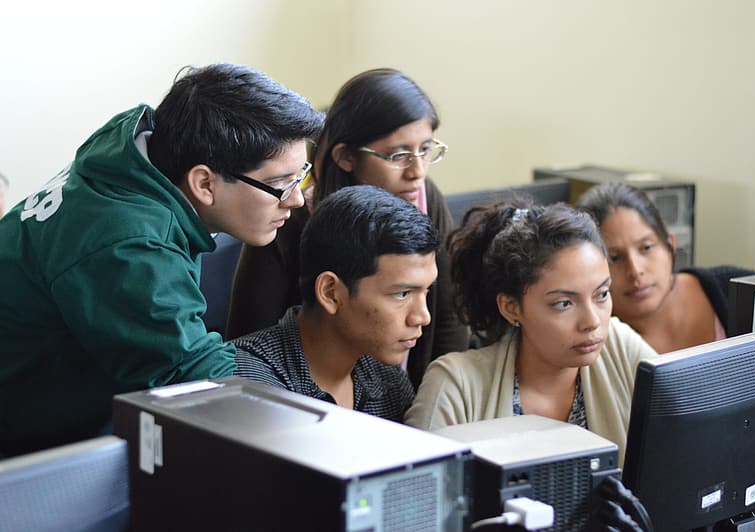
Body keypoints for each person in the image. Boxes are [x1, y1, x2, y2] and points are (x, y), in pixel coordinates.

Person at [0, 63, 324, 457]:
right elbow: (197, 380)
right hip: (24, 448)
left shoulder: (134, 146)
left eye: (301, 176)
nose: (295, 198)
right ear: (204, 183)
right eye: (280, 184)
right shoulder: (129, 246)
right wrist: (322, 404)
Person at [226, 67, 469, 389]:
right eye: (398, 155)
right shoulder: (289, 218)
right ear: (345, 157)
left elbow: (448, 315)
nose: (417, 171)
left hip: (399, 392)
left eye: (425, 149)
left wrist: (433, 401)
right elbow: (250, 332)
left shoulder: (425, 197)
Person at [404, 201, 657, 466]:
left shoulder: (619, 345)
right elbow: (420, 498)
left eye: (602, 295)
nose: (592, 321)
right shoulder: (455, 386)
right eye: (564, 303)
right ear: (511, 307)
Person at [234, 186, 438, 421]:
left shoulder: (388, 380)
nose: (423, 317)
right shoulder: (250, 384)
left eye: (426, 290)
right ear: (331, 292)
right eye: (402, 294)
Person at [576, 182, 755, 353]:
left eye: (646, 247)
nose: (635, 270)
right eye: (614, 258)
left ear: (670, 246)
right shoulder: (587, 342)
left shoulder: (741, 290)